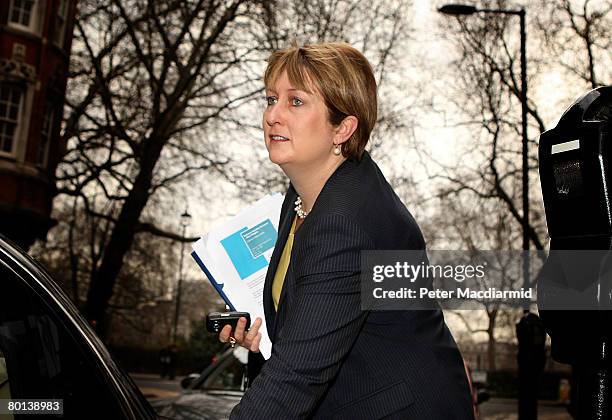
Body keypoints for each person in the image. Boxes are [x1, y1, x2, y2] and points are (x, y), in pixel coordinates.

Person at [219, 42, 474, 419]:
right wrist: (262, 333)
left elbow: (295, 379)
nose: (273, 114)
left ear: (343, 127)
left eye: (296, 102)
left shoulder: (345, 222)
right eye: (271, 98)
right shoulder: (306, 193)